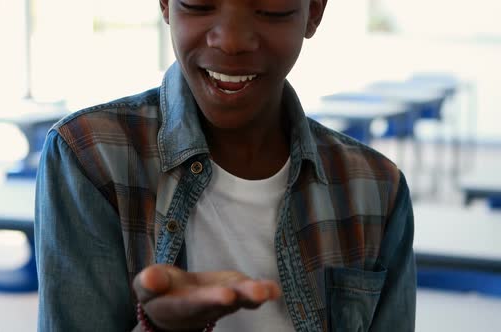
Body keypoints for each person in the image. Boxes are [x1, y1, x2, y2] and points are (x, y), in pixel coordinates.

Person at [35, 0, 416, 331]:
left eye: (271, 10)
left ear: (313, 10)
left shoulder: (375, 189)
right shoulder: (89, 156)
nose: (231, 41)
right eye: (199, 5)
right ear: (166, 4)